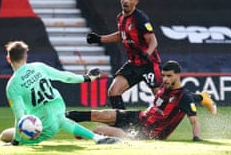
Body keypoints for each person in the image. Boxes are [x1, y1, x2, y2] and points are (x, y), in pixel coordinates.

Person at [0, 40, 120, 145]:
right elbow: (64, 76)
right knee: (60, 120)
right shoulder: (38, 67)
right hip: (59, 110)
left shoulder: (12, 86)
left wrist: (16, 141)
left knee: (4, 135)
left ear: (8, 58)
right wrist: (86, 78)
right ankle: (97, 137)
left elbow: (20, 117)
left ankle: (96, 138)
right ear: (26, 56)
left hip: (41, 127)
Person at [66, 60, 217, 141]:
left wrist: (197, 138)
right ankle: (66, 115)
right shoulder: (166, 88)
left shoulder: (184, 97)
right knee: (101, 114)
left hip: (146, 133)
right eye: (163, 75)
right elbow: (186, 95)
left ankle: (83, 132)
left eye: (169, 76)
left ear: (178, 76)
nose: (164, 79)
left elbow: (194, 121)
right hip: (139, 117)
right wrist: (202, 97)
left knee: (98, 130)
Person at [86, 0, 162, 109]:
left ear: (136, 1)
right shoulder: (120, 18)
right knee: (113, 92)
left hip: (149, 64)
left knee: (160, 101)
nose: (126, 0)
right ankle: (124, 125)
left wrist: (147, 53)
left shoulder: (140, 19)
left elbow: (153, 41)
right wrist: (99, 39)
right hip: (133, 64)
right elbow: (122, 35)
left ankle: (167, 124)